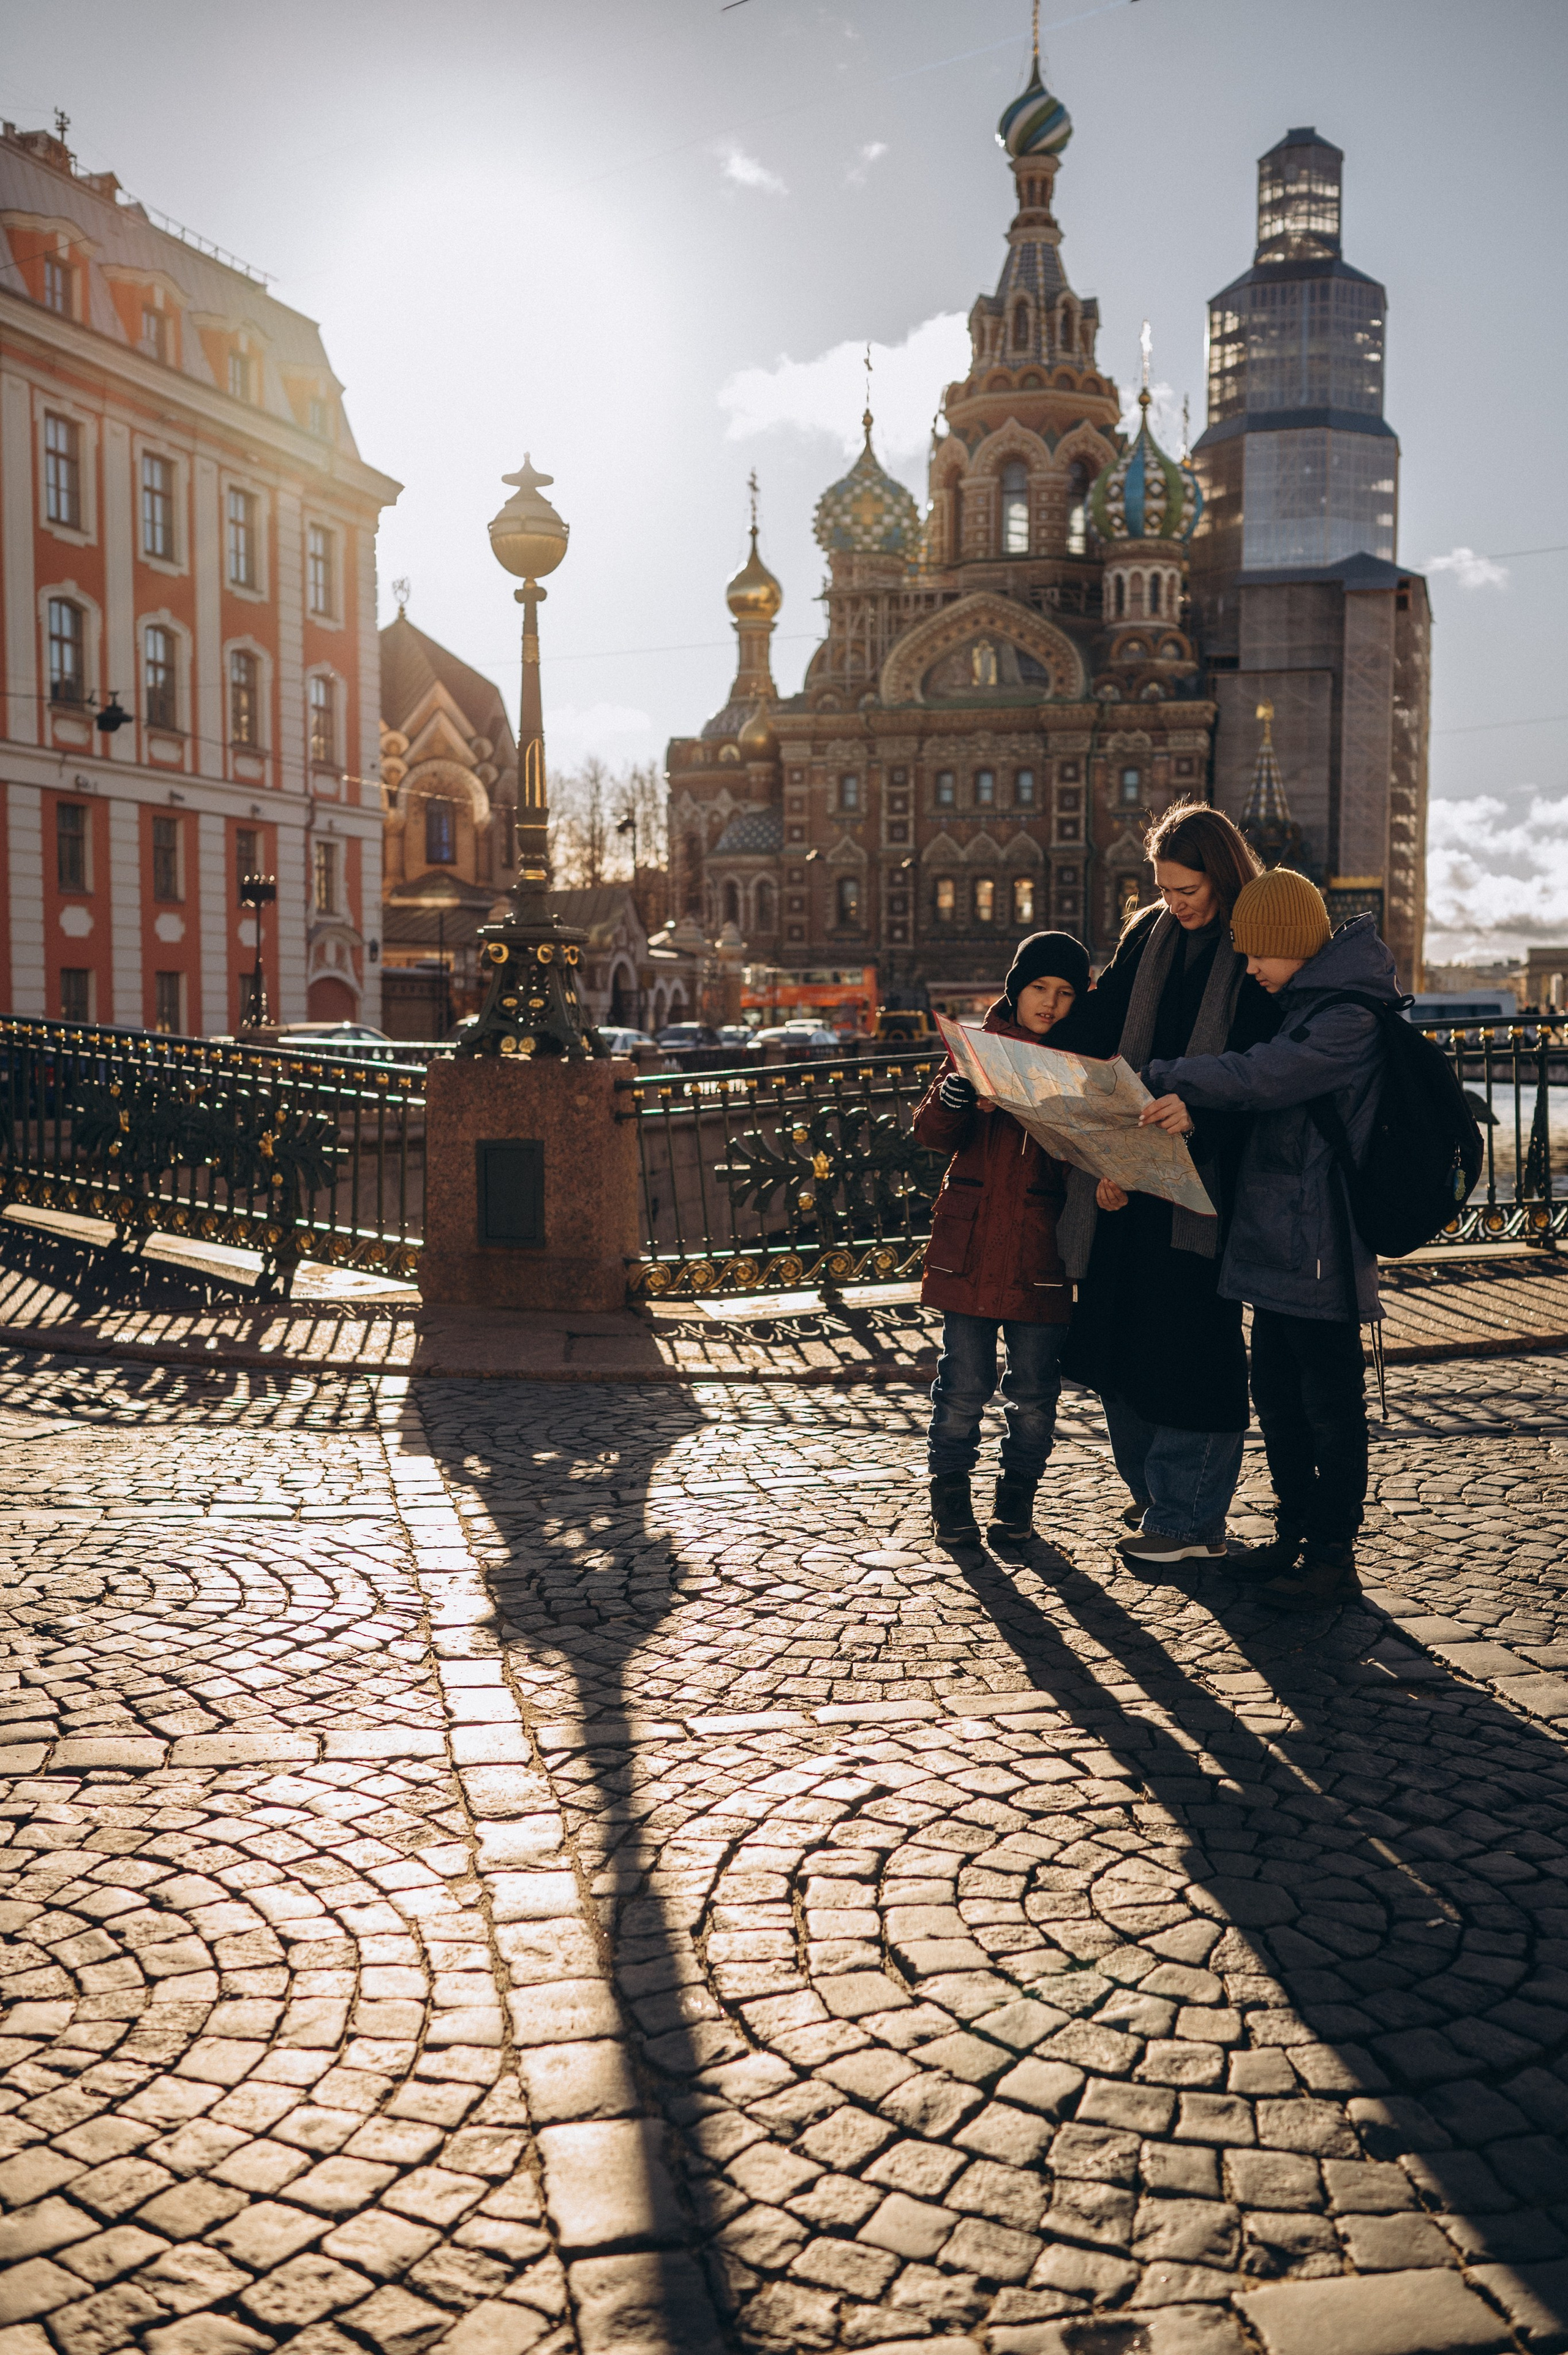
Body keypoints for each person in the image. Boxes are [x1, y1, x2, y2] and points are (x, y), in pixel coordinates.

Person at [1139, 869, 1398, 1607]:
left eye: (1257, 954)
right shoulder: (1306, 1005)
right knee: (1280, 1396)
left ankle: (1330, 1557)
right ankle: (1292, 1537)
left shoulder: (1347, 1017)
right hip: (1283, 1238)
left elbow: (1263, 1078)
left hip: (1321, 1247)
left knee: (1330, 1405)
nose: (1248, 968)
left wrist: (1162, 1074)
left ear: (1290, 942)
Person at [1053, 804, 1278, 1565]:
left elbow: (1261, 1071)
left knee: (1192, 1350)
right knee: (1118, 1342)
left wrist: (1199, 1113)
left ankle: (1188, 1519)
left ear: (1220, 874)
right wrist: (1015, 1039)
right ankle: (1157, 1495)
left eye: (1186, 889)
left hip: (1205, 1187)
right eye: (1163, 887)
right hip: (1127, 1177)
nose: (1174, 902)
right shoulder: (1147, 933)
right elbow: (1098, 1026)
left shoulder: (1253, 941)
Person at [913, 931, 1090, 1548]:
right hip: (969, 1249)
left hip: (1040, 1254)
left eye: (1066, 993)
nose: (1050, 1003)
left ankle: (1016, 1501)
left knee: (1034, 1393)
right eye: (1039, 988)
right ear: (1015, 989)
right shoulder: (976, 1049)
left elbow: (1088, 1160)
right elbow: (932, 1131)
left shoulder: (1083, 1063)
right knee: (960, 1384)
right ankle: (950, 1498)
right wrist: (952, 1099)